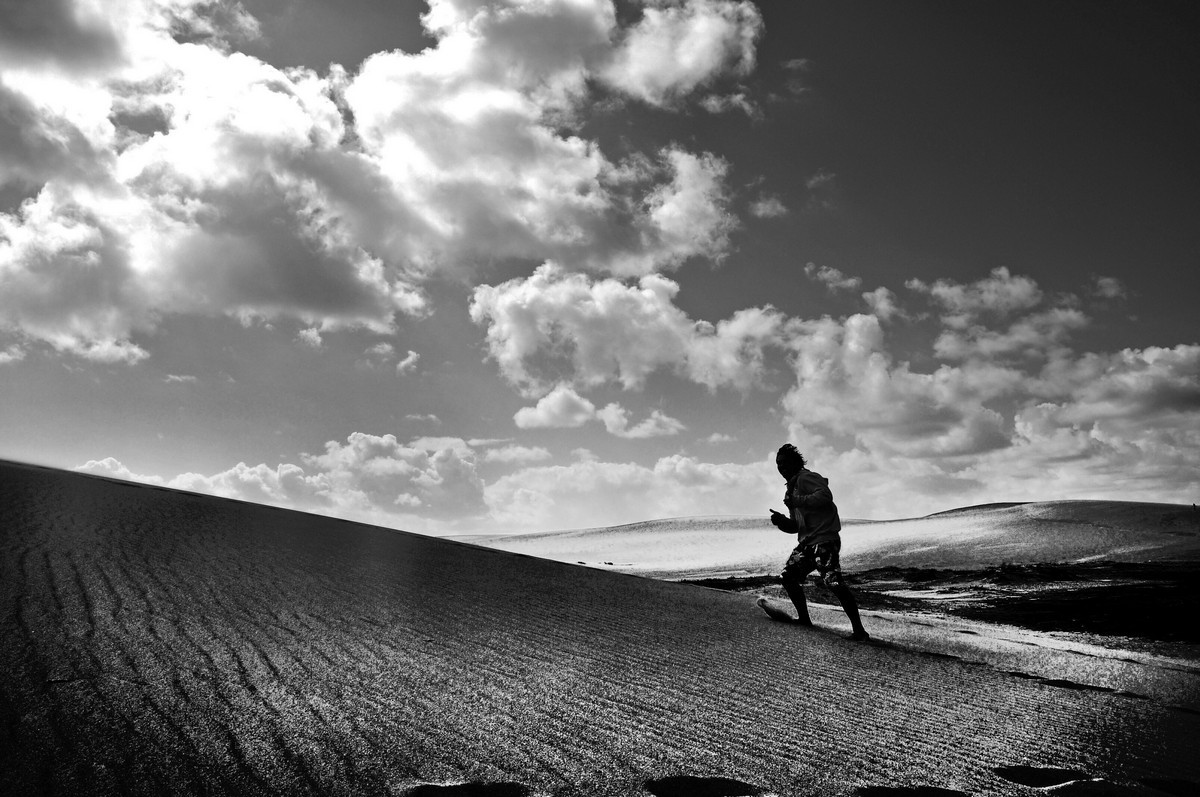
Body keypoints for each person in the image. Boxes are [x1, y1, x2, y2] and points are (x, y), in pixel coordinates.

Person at [761, 444, 869, 641]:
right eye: (778, 464)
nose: (781, 467)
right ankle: (804, 619)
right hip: (807, 543)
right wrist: (781, 522)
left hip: (825, 540)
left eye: (785, 463)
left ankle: (859, 631)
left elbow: (825, 496)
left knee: (833, 582)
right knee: (788, 576)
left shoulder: (806, 478)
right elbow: (795, 526)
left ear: (796, 463)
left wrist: (797, 501)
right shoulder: (790, 491)